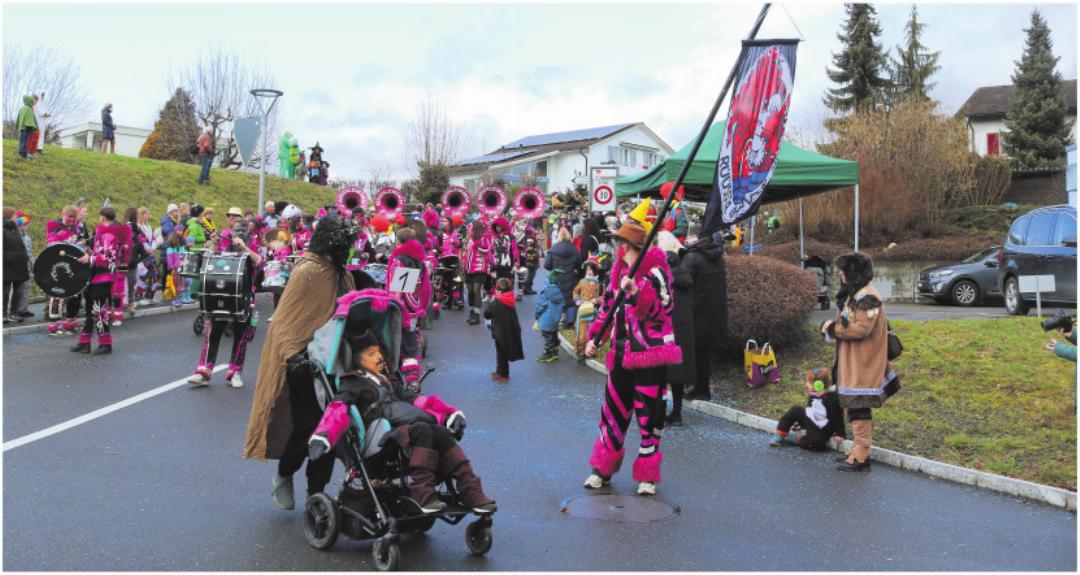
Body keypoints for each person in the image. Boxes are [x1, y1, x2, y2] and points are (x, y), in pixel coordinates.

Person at [306, 328, 496, 514]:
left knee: (442, 432)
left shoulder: (388, 381)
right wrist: (322, 437)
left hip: (403, 431)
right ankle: (422, 492)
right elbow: (337, 409)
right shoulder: (352, 383)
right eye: (372, 354)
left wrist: (449, 415)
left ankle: (471, 491)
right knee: (424, 429)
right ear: (357, 359)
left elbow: (419, 401)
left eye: (379, 352)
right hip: (380, 439)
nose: (379, 357)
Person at [244, 216, 356, 510]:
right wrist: (296, 355)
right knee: (306, 425)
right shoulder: (306, 271)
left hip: (334, 362)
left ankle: (315, 493)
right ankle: (284, 474)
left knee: (332, 428)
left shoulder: (343, 275)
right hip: (304, 363)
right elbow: (285, 322)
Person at [583, 220, 682, 496]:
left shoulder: (657, 274)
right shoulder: (617, 276)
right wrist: (595, 339)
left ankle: (647, 476)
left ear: (627, 246)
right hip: (620, 356)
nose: (617, 248)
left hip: (649, 357)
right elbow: (606, 311)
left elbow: (664, 311)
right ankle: (602, 469)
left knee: (649, 418)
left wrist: (637, 292)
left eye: (619, 244)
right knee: (612, 413)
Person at [821, 252, 896, 472]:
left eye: (844, 271)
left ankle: (862, 455)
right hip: (855, 362)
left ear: (854, 273)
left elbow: (861, 329)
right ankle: (857, 451)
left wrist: (833, 329)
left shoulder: (867, 297)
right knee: (854, 408)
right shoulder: (857, 294)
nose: (841, 275)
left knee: (859, 408)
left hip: (863, 363)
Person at [187, 223, 262, 388]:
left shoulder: (253, 246)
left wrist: (245, 248)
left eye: (242, 231)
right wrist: (214, 244)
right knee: (213, 333)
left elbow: (260, 262)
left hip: (244, 297)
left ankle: (235, 372)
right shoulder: (225, 246)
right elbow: (211, 261)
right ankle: (204, 371)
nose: (238, 234)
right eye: (236, 231)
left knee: (240, 337)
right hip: (222, 295)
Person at [71, 207, 127, 355]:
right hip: (98, 275)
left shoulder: (108, 234)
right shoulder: (107, 232)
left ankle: (105, 343)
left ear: (103, 218)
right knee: (91, 308)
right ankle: (84, 342)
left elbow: (107, 257)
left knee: (98, 309)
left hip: (104, 275)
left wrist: (89, 258)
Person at [681, 231, 727, 401]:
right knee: (704, 353)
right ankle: (703, 388)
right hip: (715, 312)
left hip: (695, 311)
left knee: (694, 352)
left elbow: (682, 283)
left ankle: (696, 388)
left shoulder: (692, 259)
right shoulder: (718, 257)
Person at [385, 227, 431, 389]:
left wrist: (393, 309)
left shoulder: (403, 260)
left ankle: (410, 380)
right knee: (409, 343)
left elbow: (399, 291)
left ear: (398, 242)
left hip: (403, 311)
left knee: (405, 344)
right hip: (415, 307)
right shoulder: (419, 260)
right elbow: (426, 288)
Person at [657, 231, 695, 426]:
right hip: (685, 335)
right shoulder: (687, 280)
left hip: (668, 334)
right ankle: (677, 413)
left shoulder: (665, 283)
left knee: (663, 376)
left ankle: (661, 413)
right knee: (678, 377)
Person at [770, 368, 846, 450]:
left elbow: (838, 417)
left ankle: (800, 439)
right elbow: (810, 410)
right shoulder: (814, 393)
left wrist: (840, 433)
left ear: (818, 385)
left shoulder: (832, 399)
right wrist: (802, 423)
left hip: (822, 427)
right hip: (811, 420)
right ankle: (779, 436)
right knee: (795, 409)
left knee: (816, 445)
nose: (806, 384)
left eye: (808, 382)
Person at [483, 277, 523, 381]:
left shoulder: (495, 302)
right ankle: (500, 371)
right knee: (504, 352)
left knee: (501, 353)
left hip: (500, 331)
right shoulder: (510, 299)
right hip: (510, 330)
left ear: (498, 290)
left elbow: (487, 314)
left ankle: (503, 374)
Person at [543, 227, 579, 329]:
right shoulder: (574, 249)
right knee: (570, 301)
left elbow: (546, 265)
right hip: (571, 277)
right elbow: (578, 264)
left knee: (557, 300)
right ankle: (570, 322)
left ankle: (558, 321)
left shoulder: (553, 249)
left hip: (557, 278)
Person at [572, 258, 603, 364]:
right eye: (587, 270)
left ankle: (590, 352)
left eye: (590, 270)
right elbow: (575, 292)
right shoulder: (582, 281)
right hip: (583, 312)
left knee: (592, 334)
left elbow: (605, 297)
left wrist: (597, 300)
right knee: (581, 334)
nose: (588, 272)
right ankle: (581, 352)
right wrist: (577, 300)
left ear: (595, 270)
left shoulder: (599, 284)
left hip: (593, 313)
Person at [3, 208, 29, 323]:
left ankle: (14, 313)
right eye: (15, 215)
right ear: (9, 216)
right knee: (5, 291)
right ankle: (3, 314)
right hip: (6, 267)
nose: (16, 217)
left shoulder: (15, 229)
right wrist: (11, 257)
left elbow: (27, 219)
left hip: (19, 266)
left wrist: (24, 257)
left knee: (18, 291)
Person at [463, 220, 491, 325]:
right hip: (468, 269)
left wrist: (478, 245)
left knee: (476, 291)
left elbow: (488, 250)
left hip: (479, 269)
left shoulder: (484, 238)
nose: (471, 230)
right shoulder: (469, 239)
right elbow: (466, 252)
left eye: (473, 228)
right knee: (470, 292)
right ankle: (471, 312)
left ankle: (477, 315)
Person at [534, 272, 564, 363]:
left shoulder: (546, 292)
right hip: (555, 318)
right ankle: (555, 352)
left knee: (547, 337)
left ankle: (548, 354)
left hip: (546, 318)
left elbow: (540, 305)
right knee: (553, 334)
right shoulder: (558, 291)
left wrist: (537, 315)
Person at [16, 95, 38, 159]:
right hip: (27, 127)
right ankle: (24, 155)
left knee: (21, 140)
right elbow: (31, 120)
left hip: (22, 127)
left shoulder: (22, 108)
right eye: (31, 101)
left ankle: (20, 152)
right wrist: (34, 127)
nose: (32, 102)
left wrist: (19, 125)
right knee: (25, 142)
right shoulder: (29, 109)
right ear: (29, 101)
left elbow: (19, 118)